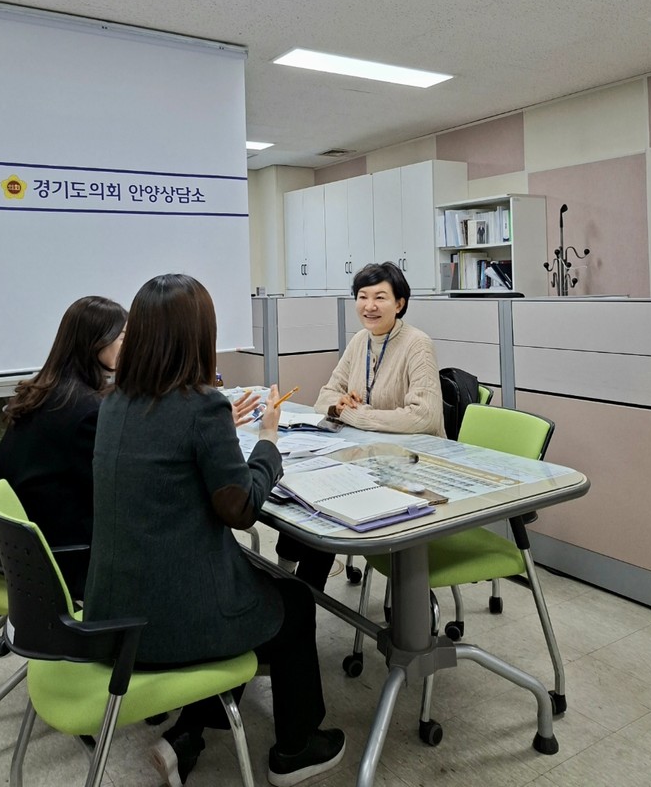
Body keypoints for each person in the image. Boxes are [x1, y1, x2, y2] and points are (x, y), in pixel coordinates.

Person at [83, 274, 345, 787]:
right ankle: (295, 750)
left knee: (250, 582)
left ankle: (188, 734)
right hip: (168, 620)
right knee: (293, 601)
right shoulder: (200, 406)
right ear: (198, 336)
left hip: (114, 613)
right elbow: (240, 508)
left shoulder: (115, 401)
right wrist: (267, 440)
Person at [276, 261, 445, 589]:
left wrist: (355, 414)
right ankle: (285, 577)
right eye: (362, 296)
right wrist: (337, 405)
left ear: (399, 304)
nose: (369, 306)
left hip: (411, 466)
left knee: (328, 505)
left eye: (380, 297)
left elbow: (424, 416)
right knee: (304, 492)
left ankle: (303, 598)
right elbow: (325, 397)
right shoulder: (360, 341)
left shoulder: (417, 344)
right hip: (367, 459)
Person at [0, 295, 128, 596]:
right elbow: (113, 491)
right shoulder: (85, 410)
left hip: (26, 543)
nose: (130, 345)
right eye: (123, 337)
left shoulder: (46, 389)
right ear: (95, 342)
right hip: (66, 557)